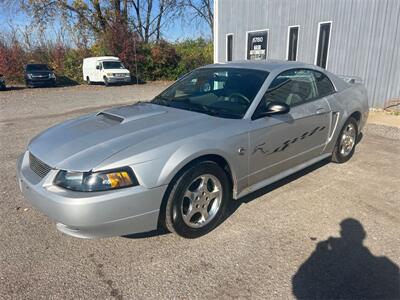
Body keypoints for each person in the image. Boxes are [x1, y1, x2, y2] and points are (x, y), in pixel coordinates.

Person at [292, 218, 399, 299]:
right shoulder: (387, 266)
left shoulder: (385, 265)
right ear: (363, 234)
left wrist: (319, 250)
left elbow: (297, 284)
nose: (341, 232)